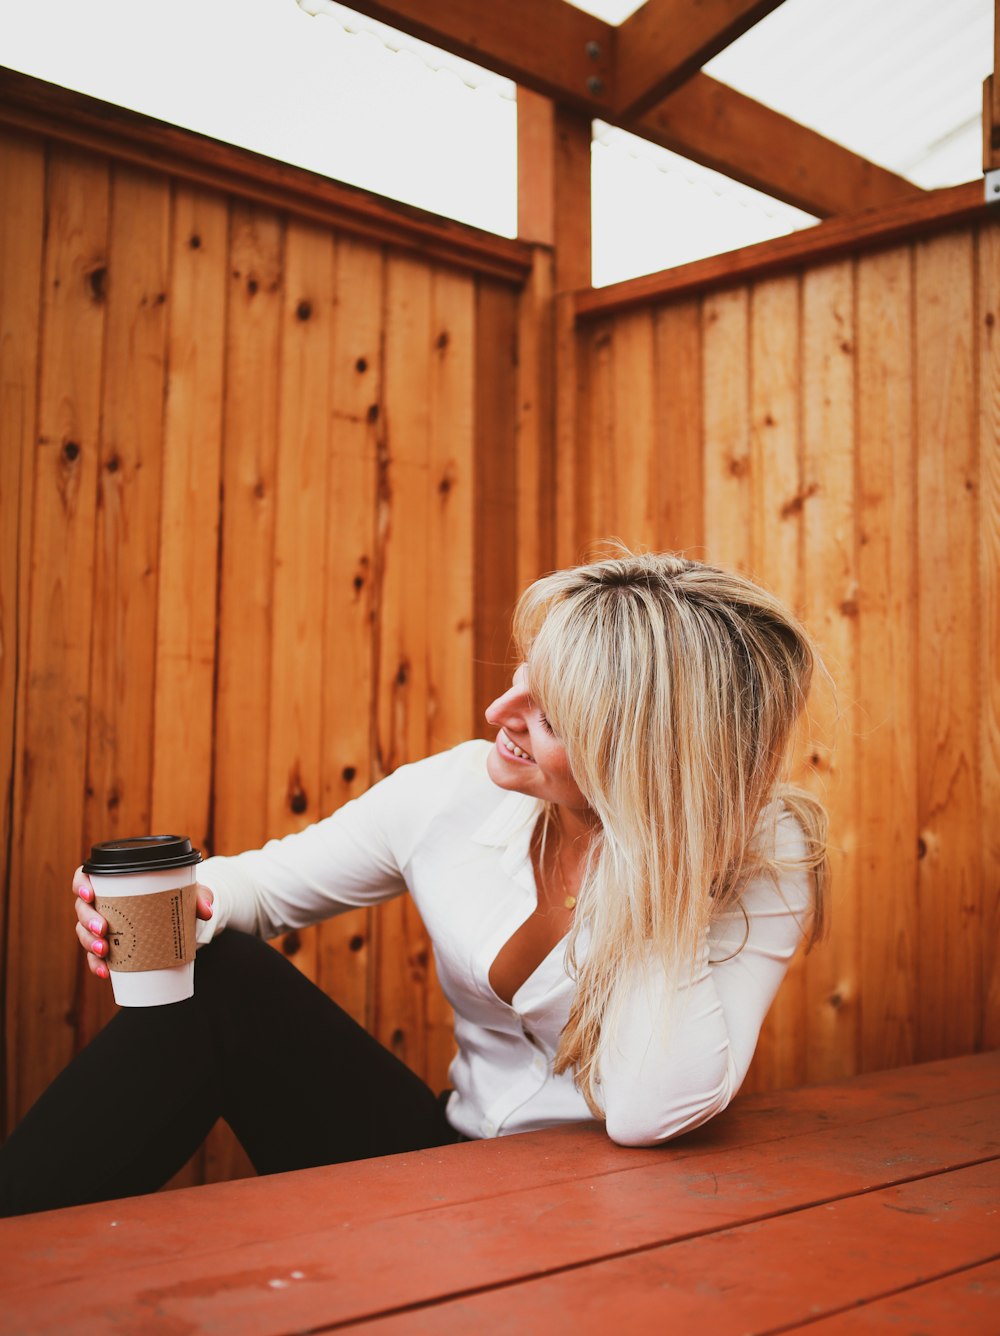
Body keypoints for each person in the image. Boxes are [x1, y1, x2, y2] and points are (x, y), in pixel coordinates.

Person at [0, 549, 828, 1216]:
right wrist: (179, 906)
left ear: (642, 758)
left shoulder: (763, 852)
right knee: (223, 977)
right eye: (521, 676)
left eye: (546, 718)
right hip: (447, 1162)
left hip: (607, 1207)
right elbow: (262, 888)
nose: (498, 713)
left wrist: (656, 853)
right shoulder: (457, 791)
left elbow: (651, 1110)